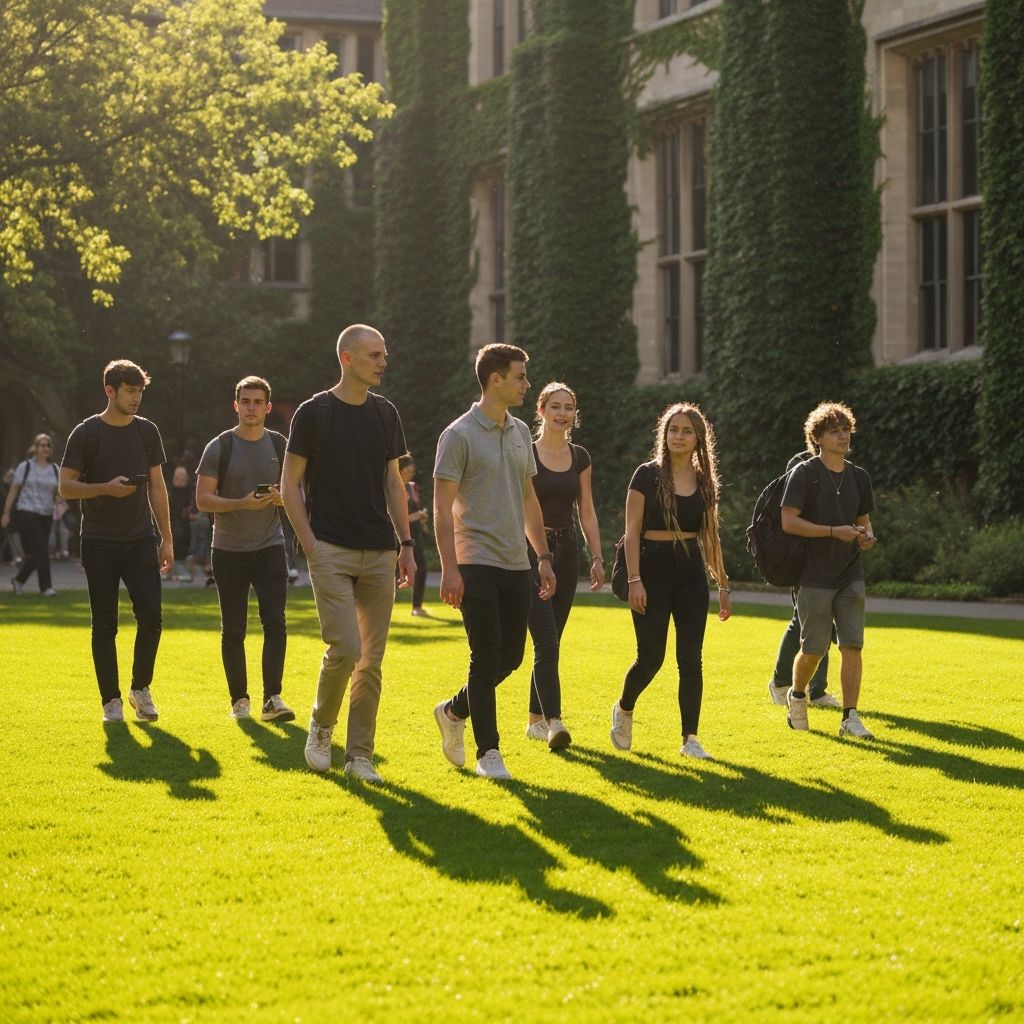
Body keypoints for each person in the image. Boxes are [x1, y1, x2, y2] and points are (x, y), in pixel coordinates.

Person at [280, 324, 416, 783]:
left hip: (379, 550)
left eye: (384, 355)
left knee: (371, 662)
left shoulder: (385, 413)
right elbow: (289, 485)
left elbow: (393, 483)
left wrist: (408, 545)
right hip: (330, 549)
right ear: (347, 358)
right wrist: (311, 545)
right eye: (374, 355)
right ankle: (320, 727)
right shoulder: (313, 413)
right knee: (345, 648)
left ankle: (360, 755)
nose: (382, 362)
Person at [432, 343, 557, 781]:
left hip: (516, 561)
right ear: (495, 380)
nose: (527, 384)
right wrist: (449, 567)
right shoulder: (459, 435)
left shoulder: (521, 431)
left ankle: (453, 710)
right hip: (475, 560)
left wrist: (541, 555)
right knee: (485, 656)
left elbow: (527, 497)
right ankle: (490, 753)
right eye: (521, 377)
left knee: (513, 657)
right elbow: (441, 507)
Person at [610, 403, 732, 760]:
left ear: (698, 439)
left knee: (691, 659)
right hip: (649, 569)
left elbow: (710, 538)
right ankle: (624, 708)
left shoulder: (705, 482)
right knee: (650, 658)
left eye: (686, 431)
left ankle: (690, 739)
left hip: (690, 572)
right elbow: (631, 534)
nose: (678, 436)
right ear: (664, 435)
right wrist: (634, 579)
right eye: (673, 429)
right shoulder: (645, 476)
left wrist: (722, 585)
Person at [59, 359, 173, 723]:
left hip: (141, 540)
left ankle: (140, 689)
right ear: (110, 391)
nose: (137, 398)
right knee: (105, 624)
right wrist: (103, 489)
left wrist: (166, 538)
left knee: (152, 617)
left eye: (140, 391)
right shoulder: (87, 433)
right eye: (130, 391)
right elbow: (65, 486)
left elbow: (157, 486)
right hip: (99, 541)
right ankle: (111, 701)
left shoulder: (147, 431)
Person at [196, 375, 295, 723]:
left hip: (270, 545)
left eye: (258, 402)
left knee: (275, 622)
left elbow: (301, 493)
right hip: (228, 549)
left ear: (268, 408)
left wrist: (283, 499)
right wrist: (241, 503)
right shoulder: (219, 446)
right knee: (234, 628)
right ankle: (240, 700)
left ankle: (273, 698)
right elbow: (202, 499)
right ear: (235, 405)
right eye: (246, 402)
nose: (251, 408)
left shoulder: (281, 445)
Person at [780, 401, 877, 738]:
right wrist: (833, 531)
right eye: (833, 430)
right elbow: (789, 521)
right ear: (817, 437)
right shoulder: (804, 474)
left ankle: (850, 717)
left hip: (850, 571)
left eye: (845, 428)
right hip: (813, 575)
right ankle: (797, 695)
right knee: (813, 650)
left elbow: (864, 522)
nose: (842, 435)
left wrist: (866, 536)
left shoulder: (858, 476)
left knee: (852, 644)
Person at [523, 382, 605, 750]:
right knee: (546, 639)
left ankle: (534, 720)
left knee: (551, 637)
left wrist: (598, 557)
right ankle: (555, 722)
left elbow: (586, 511)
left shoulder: (581, 456)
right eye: (554, 406)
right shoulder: (524, 451)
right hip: (529, 551)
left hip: (568, 550)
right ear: (540, 410)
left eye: (569, 407)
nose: (562, 413)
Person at [768, 453, 839, 709]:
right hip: (803, 562)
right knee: (803, 622)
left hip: (829, 562)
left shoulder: (835, 472)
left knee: (824, 622)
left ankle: (817, 690)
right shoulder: (800, 466)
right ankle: (780, 681)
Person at [3, 434, 61, 595]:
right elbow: (13, 491)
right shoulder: (25, 467)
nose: (45, 448)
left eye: (48, 446)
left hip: (46, 514)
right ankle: (46, 587)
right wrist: (6, 513)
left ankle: (19, 580)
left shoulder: (55, 469)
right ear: (36, 448)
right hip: (26, 512)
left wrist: (60, 500)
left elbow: (58, 493)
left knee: (37, 552)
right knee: (41, 549)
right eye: (42, 445)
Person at [399, 454, 431, 617]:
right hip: (399, 534)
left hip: (415, 533)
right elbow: (397, 517)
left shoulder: (413, 487)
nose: (412, 473)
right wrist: (416, 516)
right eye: (409, 470)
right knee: (392, 571)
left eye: (413, 470)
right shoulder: (394, 487)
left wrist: (422, 515)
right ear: (400, 470)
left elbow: (417, 509)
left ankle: (416, 607)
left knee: (422, 568)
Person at [168, 464, 194, 581]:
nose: (181, 479)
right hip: (173, 521)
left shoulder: (191, 492)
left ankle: (181, 564)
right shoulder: (170, 493)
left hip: (187, 522)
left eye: (183, 476)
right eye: (179, 476)